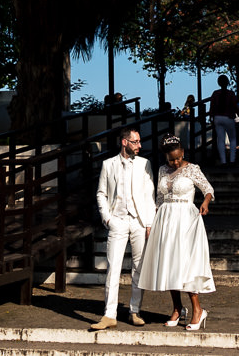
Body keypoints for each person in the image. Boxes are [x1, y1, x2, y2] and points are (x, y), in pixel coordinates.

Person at [137, 133, 215, 330]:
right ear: (165, 156)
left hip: (185, 220)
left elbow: (208, 189)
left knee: (184, 265)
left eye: (179, 157)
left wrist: (205, 202)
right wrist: (152, 223)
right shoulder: (163, 170)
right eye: (172, 159)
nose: (176, 162)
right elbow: (159, 199)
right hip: (165, 220)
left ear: (182, 153)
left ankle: (198, 309)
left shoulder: (192, 169)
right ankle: (177, 308)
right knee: (169, 265)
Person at [91, 128, 155, 330]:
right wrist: (107, 218)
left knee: (138, 268)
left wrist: (149, 223)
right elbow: (101, 193)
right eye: (135, 142)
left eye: (139, 141)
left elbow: (149, 195)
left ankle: (134, 311)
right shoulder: (108, 164)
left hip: (138, 221)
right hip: (117, 220)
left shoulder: (145, 164)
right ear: (124, 142)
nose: (139, 145)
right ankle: (109, 315)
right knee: (113, 267)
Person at [207, 75, 239, 166]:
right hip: (228, 117)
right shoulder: (231, 94)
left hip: (217, 117)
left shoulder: (215, 93)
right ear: (227, 82)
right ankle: (232, 160)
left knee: (220, 140)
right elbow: (235, 106)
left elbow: (212, 106)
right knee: (232, 139)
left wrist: (211, 117)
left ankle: (223, 161)